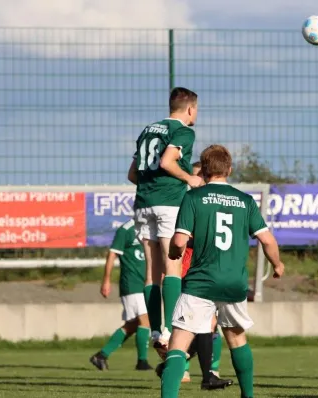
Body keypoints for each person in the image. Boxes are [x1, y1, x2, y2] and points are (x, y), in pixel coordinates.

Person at [160, 144, 285, 398]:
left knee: (179, 344)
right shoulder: (245, 201)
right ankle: (248, 395)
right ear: (229, 169)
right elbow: (268, 241)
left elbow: (179, 241)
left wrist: (174, 253)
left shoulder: (193, 197)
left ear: (204, 170)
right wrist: (278, 265)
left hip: (201, 283)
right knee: (237, 339)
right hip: (234, 284)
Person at [127, 87, 203, 360]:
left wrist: (152, 186)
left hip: (143, 203)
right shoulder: (184, 131)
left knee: (151, 272)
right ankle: (170, 330)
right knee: (173, 266)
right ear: (190, 109)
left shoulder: (148, 129)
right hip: (169, 203)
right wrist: (188, 178)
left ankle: (158, 334)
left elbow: (133, 174)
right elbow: (168, 161)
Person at [155, 161, 232, 390]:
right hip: (189, 272)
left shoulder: (212, 203)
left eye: (203, 176)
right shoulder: (189, 203)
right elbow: (178, 240)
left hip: (210, 272)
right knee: (201, 325)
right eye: (197, 177)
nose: (201, 181)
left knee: (208, 325)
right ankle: (196, 371)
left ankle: (197, 368)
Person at [89, 219, 153, 371]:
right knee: (145, 320)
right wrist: (106, 280)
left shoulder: (150, 228)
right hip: (132, 283)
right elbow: (112, 254)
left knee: (133, 325)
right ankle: (142, 362)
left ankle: (101, 355)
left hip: (145, 284)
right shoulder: (126, 230)